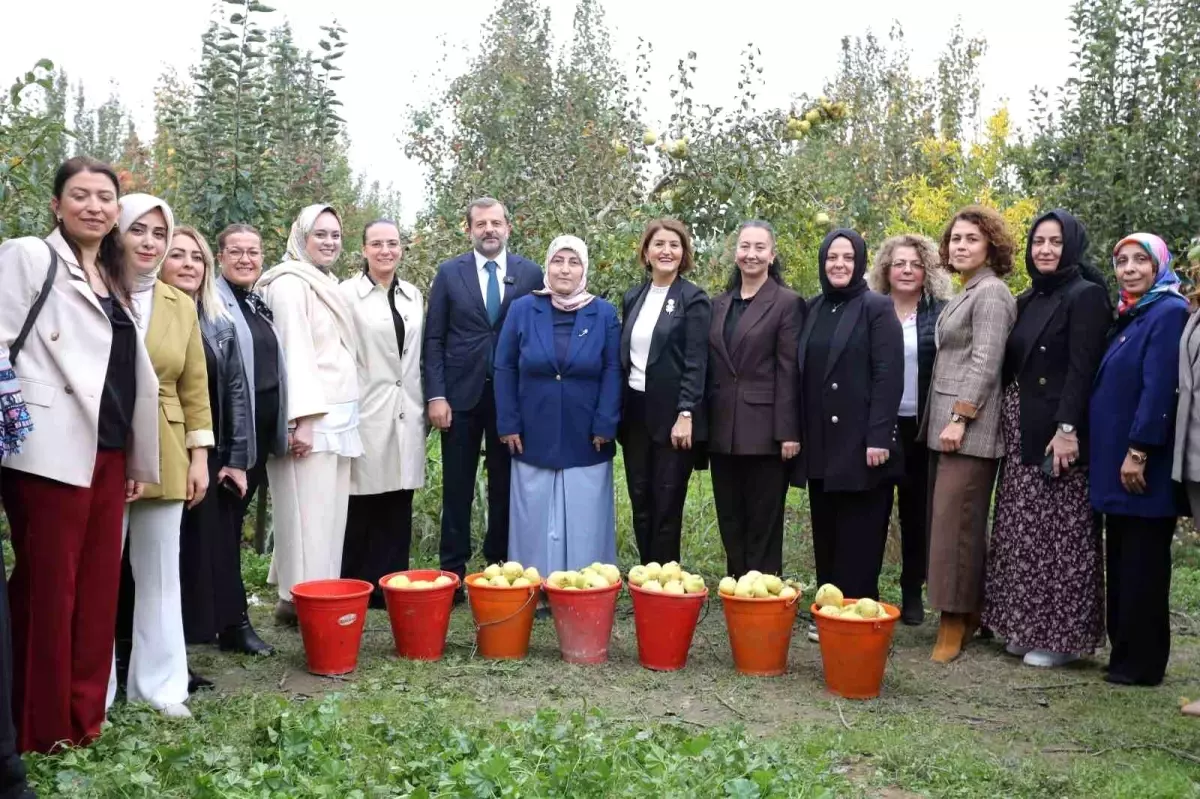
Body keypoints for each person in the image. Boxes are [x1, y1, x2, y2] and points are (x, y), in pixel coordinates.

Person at [0, 157, 159, 755]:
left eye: (105, 198)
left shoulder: (115, 277)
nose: (94, 206)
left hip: (109, 450)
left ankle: (84, 719)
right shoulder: (28, 256)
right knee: (50, 589)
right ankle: (39, 729)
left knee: (96, 592)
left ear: (117, 210)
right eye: (80, 195)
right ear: (57, 205)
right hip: (46, 449)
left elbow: (125, 375)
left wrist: (138, 459)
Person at [983, 210, 1112, 669]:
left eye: (1055, 242)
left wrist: (1067, 430)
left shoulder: (1087, 296)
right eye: (1039, 241)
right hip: (1021, 426)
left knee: (1060, 537)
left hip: (1058, 431)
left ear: (1071, 246)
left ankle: (1060, 638)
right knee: (1022, 532)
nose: (1045, 250)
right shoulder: (1030, 296)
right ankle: (1025, 626)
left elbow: (1082, 369)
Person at [109, 195, 214, 719]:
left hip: (168, 447)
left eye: (158, 233)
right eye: (138, 231)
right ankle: (94, 691)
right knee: (100, 576)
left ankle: (161, 688)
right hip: (103, 446)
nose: (149, 242)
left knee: (158, 574)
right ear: (117, 234)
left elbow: (196, 387)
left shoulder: (181, 304)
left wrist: (200, 456)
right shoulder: (94, 289)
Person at [159, 227, 273, 667]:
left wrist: (238, 460)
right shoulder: (149, 315)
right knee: (175, 547)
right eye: (178, 256)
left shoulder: (216, 320)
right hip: (166, 445)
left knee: (220, 542)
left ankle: (233, 623)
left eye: (196, 258)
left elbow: (237, 393)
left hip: (216, 450)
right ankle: (175, 640)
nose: (189, 265)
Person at [423, 198, 543, 589]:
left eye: (496, 223)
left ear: (508, 227)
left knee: (505, 485)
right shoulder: (449, 273)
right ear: (468, 229)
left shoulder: (531, 273)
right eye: (480, 223)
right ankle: (452, 572)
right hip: (460, 398)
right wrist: (436, 395)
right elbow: (434, 338)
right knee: (457, 486)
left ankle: (500, 565)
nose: (489, 229)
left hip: (513, 399)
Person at [921, 205, 1017, 664]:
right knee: (952, 523)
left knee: (954, 527)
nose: (960, 246)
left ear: (990, 247)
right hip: (947, 426)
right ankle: (968, 611)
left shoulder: (993, 293)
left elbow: (985, 361)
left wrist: (960, 417)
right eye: (955, 239)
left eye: (970, 239)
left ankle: (953, 622)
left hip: (969, 430)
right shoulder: (969, 290)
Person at [257, 205, 362, 625]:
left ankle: (316, 592)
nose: (329, 242)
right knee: (304, 511)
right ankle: (301, 599)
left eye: (335, 235)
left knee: (328, 514)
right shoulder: (288, 284)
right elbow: (293, 354)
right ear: (301, 237)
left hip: (338, 415)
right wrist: (302, 419)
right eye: (320, 234)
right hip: (311, 417)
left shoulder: (322, 281)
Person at [495, 236, 622, 580]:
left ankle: (585, 585)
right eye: (558, 261)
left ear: (584, 269)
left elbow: (613, 369)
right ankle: (534, 585)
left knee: (585, 513)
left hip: (587, 432)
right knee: (533, 513)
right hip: (532, 428)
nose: (565, 269)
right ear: (547, 266)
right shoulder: (523, 309)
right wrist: (508, 423)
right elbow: (504, 366)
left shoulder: (604, 313)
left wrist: (606, 423)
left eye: (573, 262)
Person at [1091, 232, 1187, 687]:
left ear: (1158, 265)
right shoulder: (1133, 314)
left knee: (1144, 565)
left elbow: (1157, 389)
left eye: (1139, 261)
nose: (1129, 268)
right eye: (1121, 261)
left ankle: (1143, 663)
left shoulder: (1167, 313)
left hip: (1141, 463)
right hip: (1116, 462)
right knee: (1123, 560)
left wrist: (1138, 451)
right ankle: (1123, 654)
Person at [795, 229, 903, 628]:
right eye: (831, 258)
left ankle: (858, 614)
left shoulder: (877, 307)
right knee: (827, 533)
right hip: (821, 443)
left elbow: (888, 375)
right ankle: (827, 613)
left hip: (862, 444)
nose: (838, 264)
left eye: (847, 257)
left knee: (860, 534)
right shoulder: (813, 307)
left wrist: (879, 436)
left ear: (859, 262)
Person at [707, 221, 803, 578]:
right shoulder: (719, 304)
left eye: (760, 248)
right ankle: (736, 588)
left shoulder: (787, 303)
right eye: (745, 247)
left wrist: (789, 432)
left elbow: (789, 370)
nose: (751, 254)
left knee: (763, 522)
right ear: (736, 254)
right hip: (722, 431)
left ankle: (762, 597)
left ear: (772, 255)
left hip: (765, 432)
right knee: (730, 519)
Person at [337, 220, 426, 607]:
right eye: (377, 244)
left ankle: (391, 580)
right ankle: (358, 581)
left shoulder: (413, 295)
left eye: (392, 243)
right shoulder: (346, 295)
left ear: (402, 248)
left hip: (408, 407)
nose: (385, 251)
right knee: (362, 495)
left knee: (399, 495)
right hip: (366, 404)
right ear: (364, 249)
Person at [867, 233, 953, 624]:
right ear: (886, 268)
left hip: (922, 426)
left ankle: (911, 590)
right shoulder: (872, 309)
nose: (906, 270)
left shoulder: (941, 314)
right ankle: (865, 589)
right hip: (879, 427)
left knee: (917, 514)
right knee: (873, 510)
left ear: (927, 271)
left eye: (915, 264)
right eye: (899, 263)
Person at [212, 224, 290, 639]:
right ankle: (233, 621)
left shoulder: (255, 303)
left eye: (254, 252)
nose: (246, 259)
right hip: (232, 438)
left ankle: (223, 615)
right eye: (236, 252)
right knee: (225, 530)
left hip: (259, 435)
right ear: (220, 256)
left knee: (229, 528)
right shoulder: (213, 305)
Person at [618, 219, 711, 565]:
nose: (666, 251)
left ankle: (665, 583)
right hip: (636, 415)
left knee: (667, 505)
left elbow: (696, 361)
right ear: (646, 252)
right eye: (659, 244)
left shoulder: (694, 298)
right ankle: (645, 578)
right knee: (641, 502)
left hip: (674, 418)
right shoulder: (633, 296)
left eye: (674, 244)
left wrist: (686, 412)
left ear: (684, 253)